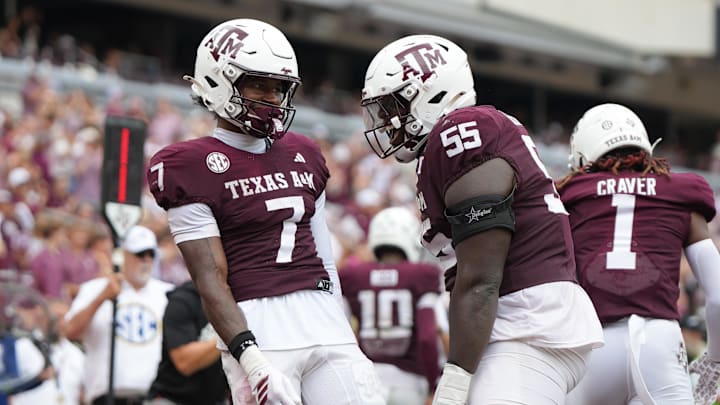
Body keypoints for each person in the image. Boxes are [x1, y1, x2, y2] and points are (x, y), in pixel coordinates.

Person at [146, 18, 384, 405]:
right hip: (258, 325)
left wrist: (340, 324)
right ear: (218, 81)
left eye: (279, 88)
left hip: (322, 317)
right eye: (258, 84)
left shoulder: (304, 151)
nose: (271, 98)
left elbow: (323, 256)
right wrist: (249, 356)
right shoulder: (189, 163)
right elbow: (210, 279)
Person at [360, 34, 604, 404]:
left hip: (524, 324)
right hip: (520, 322)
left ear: (432, 94)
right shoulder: (453, 141)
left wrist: (453, 382)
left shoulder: (462, 131)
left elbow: (481, 279)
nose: (387, 120)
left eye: (394, 105)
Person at [557, 103, 720, 405]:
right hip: (658, 341)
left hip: (591, 345)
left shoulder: (569, 194)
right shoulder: (680, 191)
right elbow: (718, 295)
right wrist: (715, 361)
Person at [340, 206, 442, 405]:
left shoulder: (352, 276)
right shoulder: (423, 275)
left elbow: (341, 332)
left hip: (365, 382)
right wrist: (433, 383)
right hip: (409, 384)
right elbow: (427, 338)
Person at [64, 225, 174, 405]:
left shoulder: (168, 293)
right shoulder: (96, 288)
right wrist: (101, 299)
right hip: (108, 398)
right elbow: (70, 332)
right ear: (124, 255)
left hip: (156, 397)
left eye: (151, 255)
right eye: (140, 254)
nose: (146, 261)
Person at [146, 280, 229, 405]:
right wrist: (230, 335)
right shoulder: (183, 299)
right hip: (173, 398)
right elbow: (184, 362)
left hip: (215, 399)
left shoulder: (236, 299)